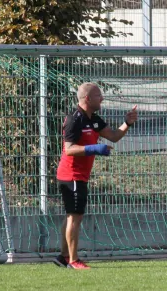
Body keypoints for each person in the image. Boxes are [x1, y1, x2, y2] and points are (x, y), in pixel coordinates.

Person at [54, 83, 138, 270]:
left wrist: (128, 122)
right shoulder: (74, 119)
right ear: (87, 99)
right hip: (71, 175)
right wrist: (95, 148)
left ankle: (64, 257)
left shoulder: (93, 119)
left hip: (80, 176)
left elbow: (114, 136)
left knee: (72, 217)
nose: (102, 98)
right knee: (75, 217)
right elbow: (69, 150)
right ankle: (74, 261)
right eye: (99, 96)